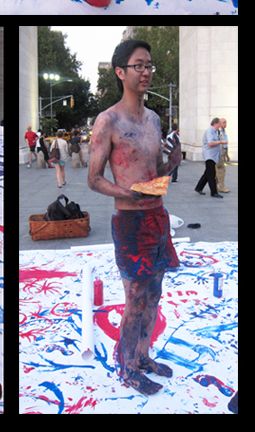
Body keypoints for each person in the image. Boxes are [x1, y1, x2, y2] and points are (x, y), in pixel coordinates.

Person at [88, 39, 182, 395]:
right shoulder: (108, 120)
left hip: (157, 217)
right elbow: (94, 179)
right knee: (136, 298)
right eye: (138, 65)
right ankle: (127, 367)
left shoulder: (154, 119)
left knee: (154, 294)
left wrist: (172, 163)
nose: (145, 72)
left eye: (149, 66)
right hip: (130, 222)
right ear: (120, 72)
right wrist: (127, 193)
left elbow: (155, 171)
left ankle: (143, 356)